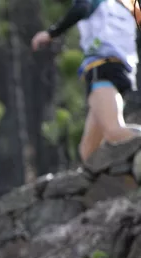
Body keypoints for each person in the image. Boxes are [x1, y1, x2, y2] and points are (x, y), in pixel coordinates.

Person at [32, 0, 141, 166]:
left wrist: (51, 33)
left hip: (102, 68)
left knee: (114, 131)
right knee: (88, 150)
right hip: (122, 71)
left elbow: (82, 7)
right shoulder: (128, 6)